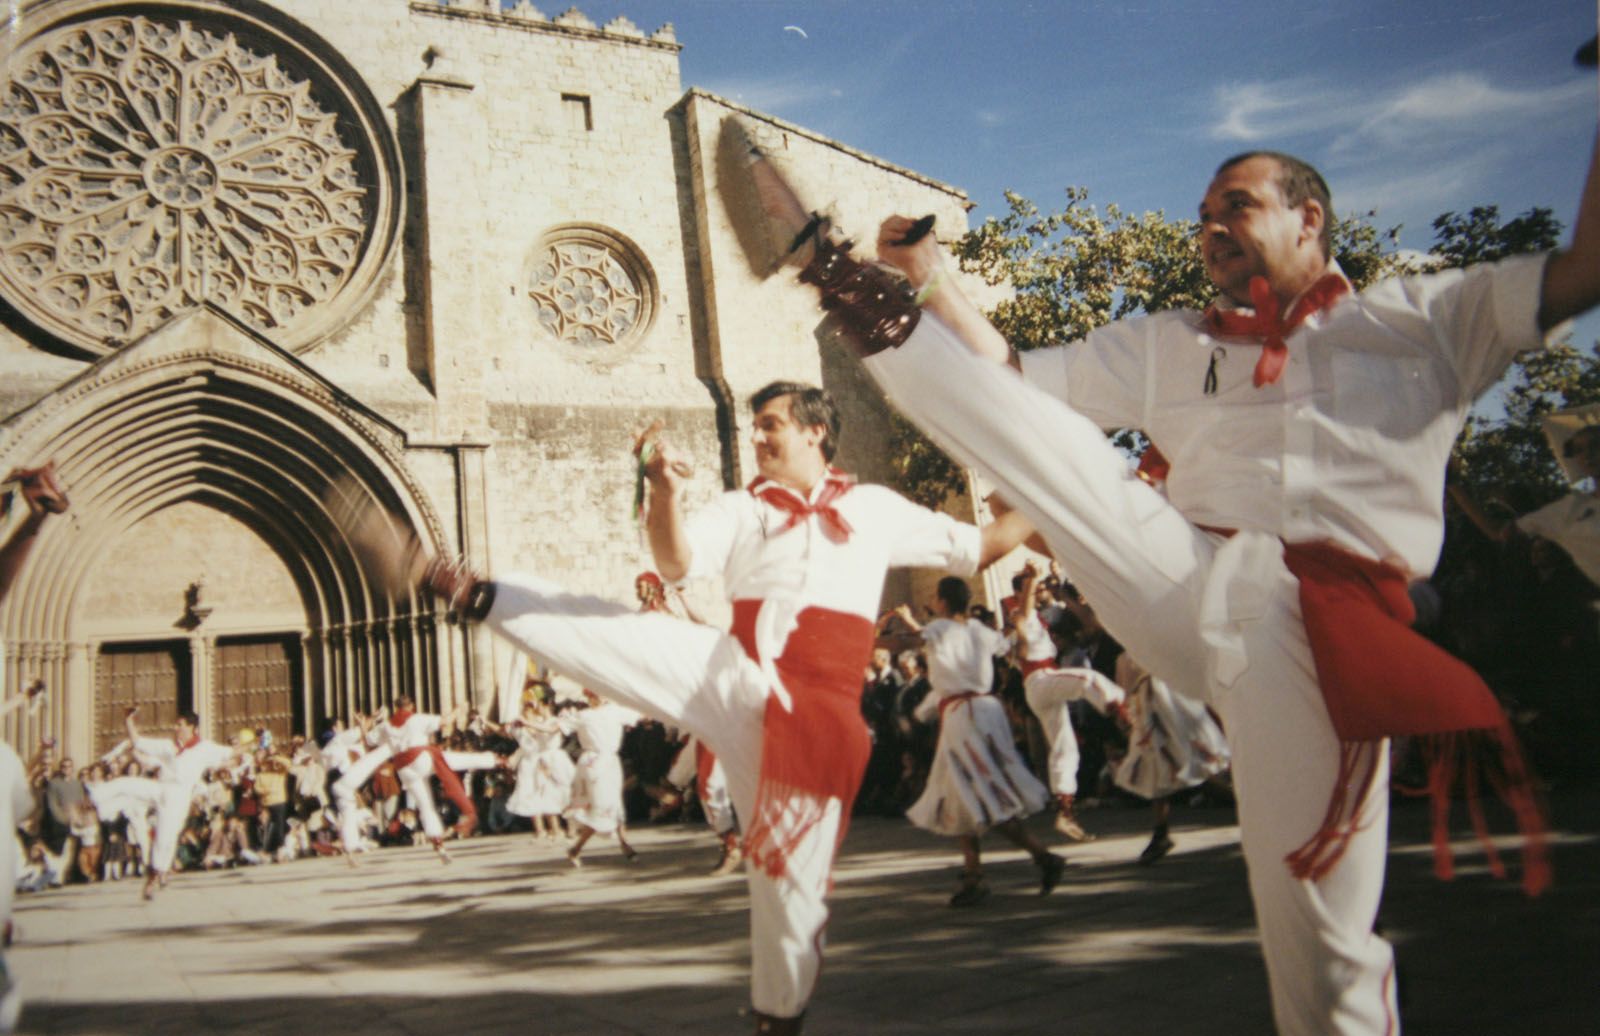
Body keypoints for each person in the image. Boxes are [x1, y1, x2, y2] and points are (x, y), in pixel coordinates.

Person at [772, 119, 1600, 1034]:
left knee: (1319, 929)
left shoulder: (1429, 318)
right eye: (1202, 214)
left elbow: (1585, 267)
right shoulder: (1171, 343)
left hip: (1321, 632)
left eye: (1235, 206)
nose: (1209, 227)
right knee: (1056, 454)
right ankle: (842, 277)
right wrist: (931, 278)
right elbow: (1012, 376)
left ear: (1308, 216)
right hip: (1186, 573)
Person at [330, 379, 1032, 1034]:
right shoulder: (744, 508)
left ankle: (776, 1019)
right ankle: (464, 588)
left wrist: (1046, 497)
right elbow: (674, 563)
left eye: (771, 426)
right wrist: (663, 492)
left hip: (816, 718)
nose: (758, 438)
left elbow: (980, 546)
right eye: (755, 428)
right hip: (736, 673)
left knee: (793, 893)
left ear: (817, 431)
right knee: (625, 634)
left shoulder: (875, 509)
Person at [883, 579, 1063, 907]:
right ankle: (974, 874)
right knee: (961, 793)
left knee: (979, 791)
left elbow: (912, 640)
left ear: (941, 601)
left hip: (964, 718)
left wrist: (894, 628)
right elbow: (1009, 649)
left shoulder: (940, 630)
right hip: (982, 710)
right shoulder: (980, 630)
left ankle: (1041, 855)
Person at [123, 706, 243, 900]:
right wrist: (128, 720)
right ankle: (153, 879)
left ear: (192, 727)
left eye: (180, 725)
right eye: (176, 724)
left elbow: (231, 752)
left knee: (171, 834)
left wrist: (258, 742)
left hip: (181, 797)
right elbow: (138, 741)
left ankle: (162, 871)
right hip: (163, 793)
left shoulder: (205, 748)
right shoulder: (168, 746)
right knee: (163, 834)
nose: (176, 728)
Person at [561, 690, 641, 866]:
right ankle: (581, 847)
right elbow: (558, 727)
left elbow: (641, 715)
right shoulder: (583, 715)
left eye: (597, 694)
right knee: (601, 806)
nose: (595, 698)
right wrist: (529, 723)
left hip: (611, 762)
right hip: (593, 763)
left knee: (614, 803)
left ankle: (621, 844)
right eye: (591, 695)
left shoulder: (615, 710)